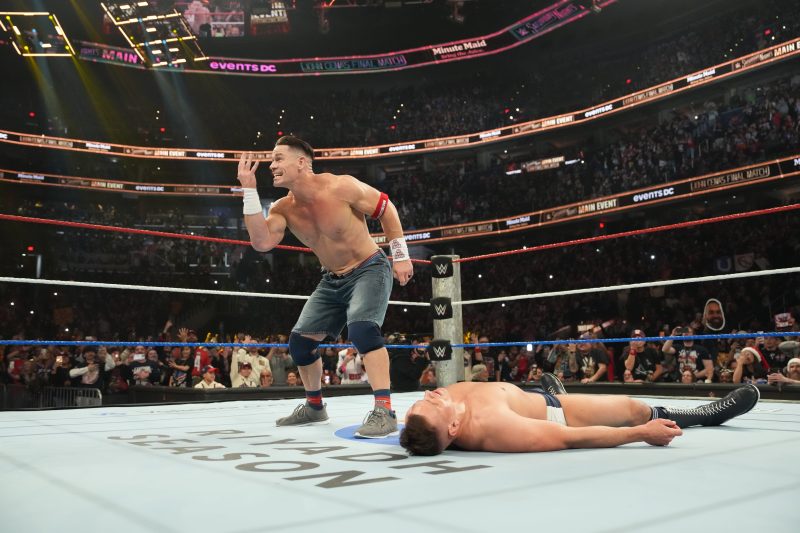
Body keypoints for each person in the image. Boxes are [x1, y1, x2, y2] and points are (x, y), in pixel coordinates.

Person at [237, 136, 413, 438]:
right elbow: (261, 242)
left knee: (362, 331)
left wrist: (401, 255)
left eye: (278, 158)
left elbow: (387, 209)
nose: (271, 165)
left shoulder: (341, 186)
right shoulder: (283, 208)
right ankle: (315, 407)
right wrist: (249, 191)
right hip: (332, 279)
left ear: (301, 162)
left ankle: (385, 411)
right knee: (300, 344)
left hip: (369, 268)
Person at [400, 374, 760, 455]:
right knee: (633, 409)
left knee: (545, 393)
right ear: (453, 426)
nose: (430, 394)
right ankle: (708, 413)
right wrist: (641, 432)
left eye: (421, 400)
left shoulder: (438, 413)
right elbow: (568, 438)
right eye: (432, 404)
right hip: (558, 414)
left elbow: (421, 427)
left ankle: (556, 391)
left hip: (530, 398)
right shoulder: (494, 427)